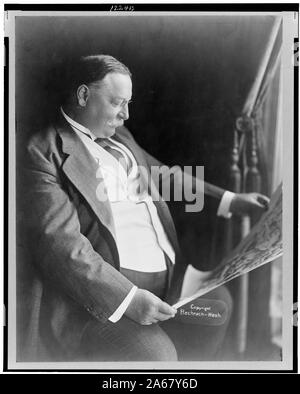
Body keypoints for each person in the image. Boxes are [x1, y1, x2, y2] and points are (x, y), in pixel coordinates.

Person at [18, 55, 270, 362]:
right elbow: (61, 248)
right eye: (116, 102)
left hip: (166, 282)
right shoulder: (42, 152)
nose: (125, 114)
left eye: (129, 103)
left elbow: (164, 175)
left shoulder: (121, 136)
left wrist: (231, 200)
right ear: (83, 95)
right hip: (101, 298)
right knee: (156, 356)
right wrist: (128, 299)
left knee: (216, 307)